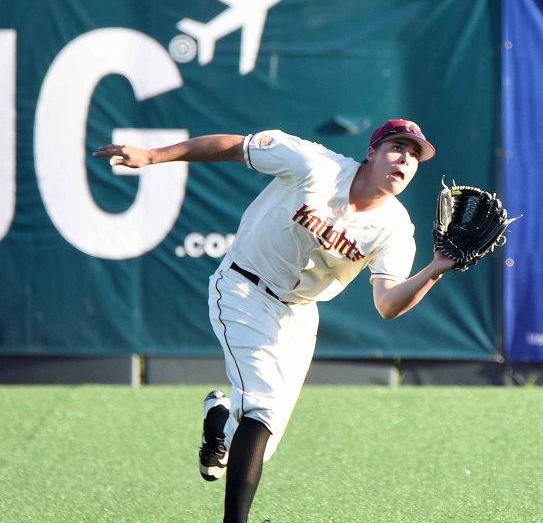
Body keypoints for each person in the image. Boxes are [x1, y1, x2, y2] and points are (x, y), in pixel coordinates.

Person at [94, 119, 457, 523]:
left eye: (413, 155)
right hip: (243, 289)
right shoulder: (315, 165)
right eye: (396, 148)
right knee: (262, 407)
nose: (404, 159)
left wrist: (436, 269)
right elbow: (236, 145)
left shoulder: (395, 228)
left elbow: (387, 304)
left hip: (299, 315)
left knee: (259, 443)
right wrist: (155, 155)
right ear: (371, 153)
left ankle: (218, 419)